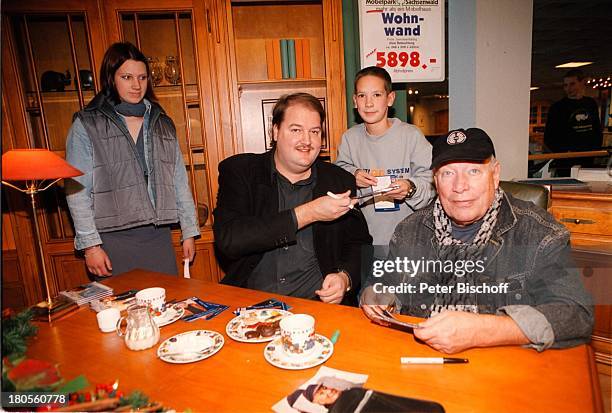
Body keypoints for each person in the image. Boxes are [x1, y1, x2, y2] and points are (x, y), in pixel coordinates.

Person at [361, 128, 593, 353]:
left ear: (495, 175)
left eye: (473, 171)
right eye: (447, 173)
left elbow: (576, 314)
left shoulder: (539, 233)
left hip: (504, 370)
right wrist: (377, 295)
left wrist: (483, 330)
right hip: (422, 363)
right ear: (435, 180)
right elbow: (382, 282)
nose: (459, 186)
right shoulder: (410, 230)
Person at [213, 93, 372, 304]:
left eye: (314, 132)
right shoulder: (241, 172)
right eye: (296, 130)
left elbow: (360, 244)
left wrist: (345, 278)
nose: (306, 141)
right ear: (275, 131)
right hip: (253, 306)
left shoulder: (339, 179)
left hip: (318, 308)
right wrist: (308, 213)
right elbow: (229, 239)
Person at [65, 42, 200, 278]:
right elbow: (77, 191)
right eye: (127, 77)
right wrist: (91, 247)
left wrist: (189, 230)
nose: (136, 85)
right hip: (111, 240)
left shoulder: (163, 123)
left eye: (142, 77)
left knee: (167, 309)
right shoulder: (86, 124)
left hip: (158, 237)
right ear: (111, 78)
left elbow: (179, 181)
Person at [335, 66, 434, 262]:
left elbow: (432, 181)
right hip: (364, 242)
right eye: (362, 96)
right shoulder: (349, 138)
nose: (369, 103)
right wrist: (352, 175)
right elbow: (338, 174)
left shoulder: (411, 136)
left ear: (390, 98)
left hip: (409, 242)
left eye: (377, 95)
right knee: (369, 292)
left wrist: (410, 188)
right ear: (355, 101)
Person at [544, 69, 603, 175]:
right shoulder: (557, 107)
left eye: (572, 84)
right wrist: (563, 153)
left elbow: (596, 129)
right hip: (566, 159)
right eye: (565, 85)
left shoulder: (590, 104)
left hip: (588, 157)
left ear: (582, 83)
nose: (568, 88)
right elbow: (549, 136)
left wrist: (595, 149)